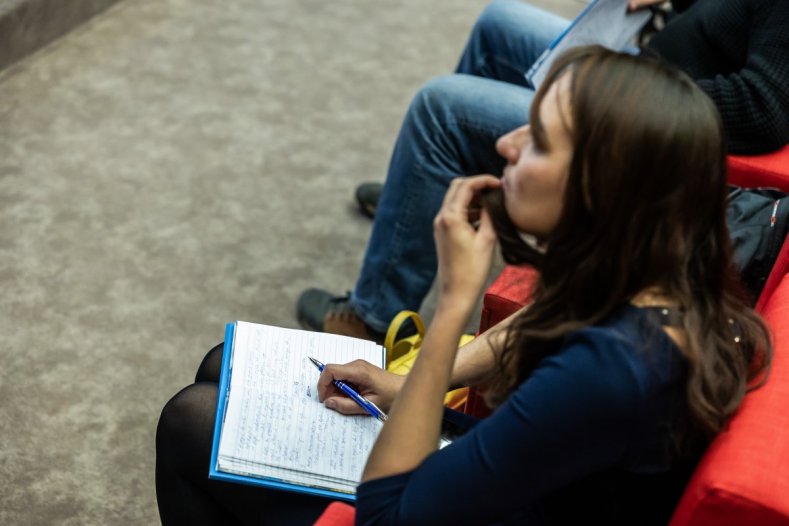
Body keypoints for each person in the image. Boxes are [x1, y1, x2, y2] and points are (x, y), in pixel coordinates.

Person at [156, 46, 772, 525]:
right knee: (224, 368)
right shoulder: (663, 281)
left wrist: (452, 305)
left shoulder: (609, 372)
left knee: (192, 422)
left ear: (600, 189)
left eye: (539, 140)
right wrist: (405, 383)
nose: (507, 144)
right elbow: (548, 321)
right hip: (531, 484)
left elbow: (385, 518)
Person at [297, 0, 789, 343]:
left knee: (440, 109)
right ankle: (422, 194)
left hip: (641, 117)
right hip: (644, 75)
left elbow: (764, 108)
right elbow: (734, 19)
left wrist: (631, 93)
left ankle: (373, 318)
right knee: (498, 21)